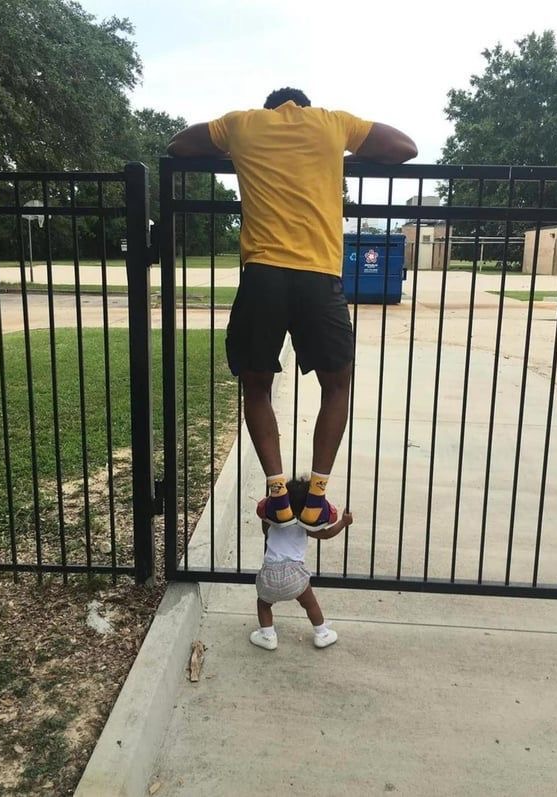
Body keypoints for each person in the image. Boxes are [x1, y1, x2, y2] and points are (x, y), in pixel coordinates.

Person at [167, 88, 417, 529]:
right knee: (336, 386)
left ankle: (278, 497)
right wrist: (344, 154)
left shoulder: (242, 123)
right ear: (304, 106)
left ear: (270, 108)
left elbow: (179, 145)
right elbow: (404, 148)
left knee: (256, 386)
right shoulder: (333, 123)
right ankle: (316, 498)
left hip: (262, 276)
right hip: (319, 278)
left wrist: (234, 149)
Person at [250, 477, 353, 651]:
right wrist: (344, 522)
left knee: (263, 604)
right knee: (310, 604)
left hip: (269, 574)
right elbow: (326, 534)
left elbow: (265, 531)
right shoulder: (304, 525)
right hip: (295, 574)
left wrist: (266, 514)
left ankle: (268, 636)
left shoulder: (274, 522)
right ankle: (322, 633)